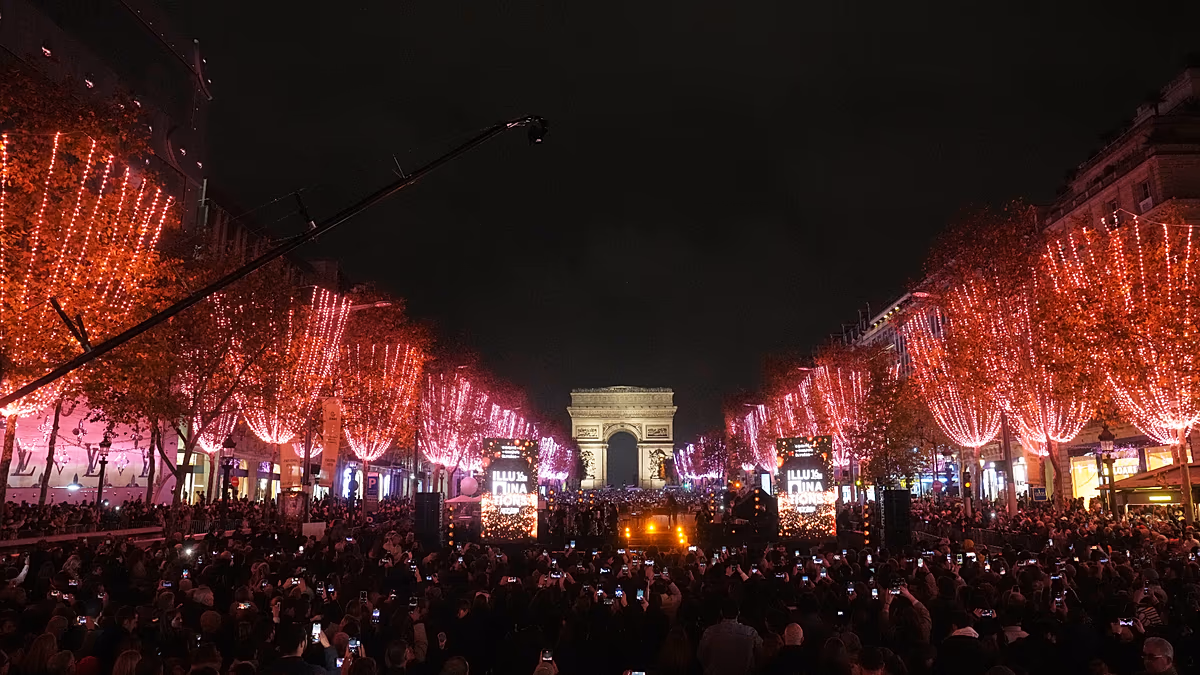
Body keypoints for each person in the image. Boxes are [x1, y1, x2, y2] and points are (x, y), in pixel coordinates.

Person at [697, 598, 762, 675]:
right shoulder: (750, 632)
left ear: (721, 612)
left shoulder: (710, 632)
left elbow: (700, 656)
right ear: (738, 612)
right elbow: (761, 654)